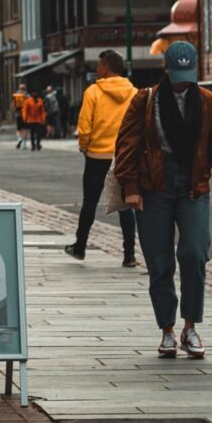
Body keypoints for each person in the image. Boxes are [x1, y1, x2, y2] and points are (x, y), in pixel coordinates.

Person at [114, 42, 212, 359]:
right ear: (166, 70)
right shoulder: (146, 101)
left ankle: (190, 326)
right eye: (177, 74)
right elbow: (126, 144)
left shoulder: (209, 103)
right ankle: (167, 330)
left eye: (188, 74)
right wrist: (130, 186)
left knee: (195, 254)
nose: (183, 81)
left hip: (193, 187)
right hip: (153, 188)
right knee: (159, 262)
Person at [64, 50, 138, 267]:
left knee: (90, 202)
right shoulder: (133, 92)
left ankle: (80, 246)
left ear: (105, 67)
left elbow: (85, 124)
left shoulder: (93, 92)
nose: (96, 70)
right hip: (123, 154)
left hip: (97, 154)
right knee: (125, 204)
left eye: (98, 66)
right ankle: (129, 255)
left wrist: (84, 146)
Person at [12, 83, 28, 149]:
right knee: (25, 129)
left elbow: (13, 105)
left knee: (18, 129)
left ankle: (19, 139)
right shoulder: (27, 95)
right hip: (25, 115)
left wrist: (15, 111)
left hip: (18, 114)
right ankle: (24, 144)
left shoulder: (16, 95)